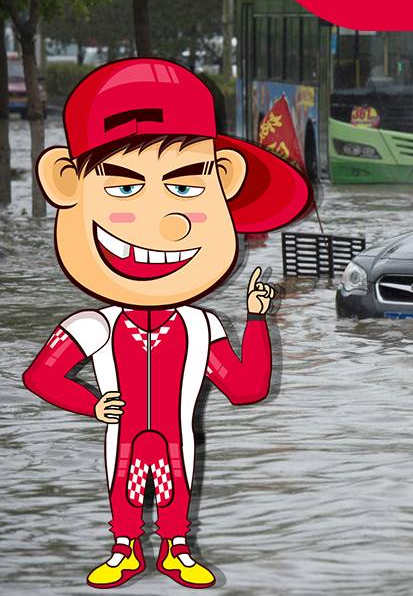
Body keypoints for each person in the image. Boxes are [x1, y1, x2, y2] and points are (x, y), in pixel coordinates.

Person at [22, 58, 312, 589]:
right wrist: (92, 404)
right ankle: (125, 549)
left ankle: (178, 548)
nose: (164, 225)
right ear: (66, 183)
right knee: (124, 488)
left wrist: (256, 319)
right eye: (124, 189)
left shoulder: (202, 327)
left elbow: (246, 390)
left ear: (222, 182)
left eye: (182, 189)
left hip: (176, 443)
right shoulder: (94, 325)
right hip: (123, 440)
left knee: (176, 481)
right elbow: (39, 377)